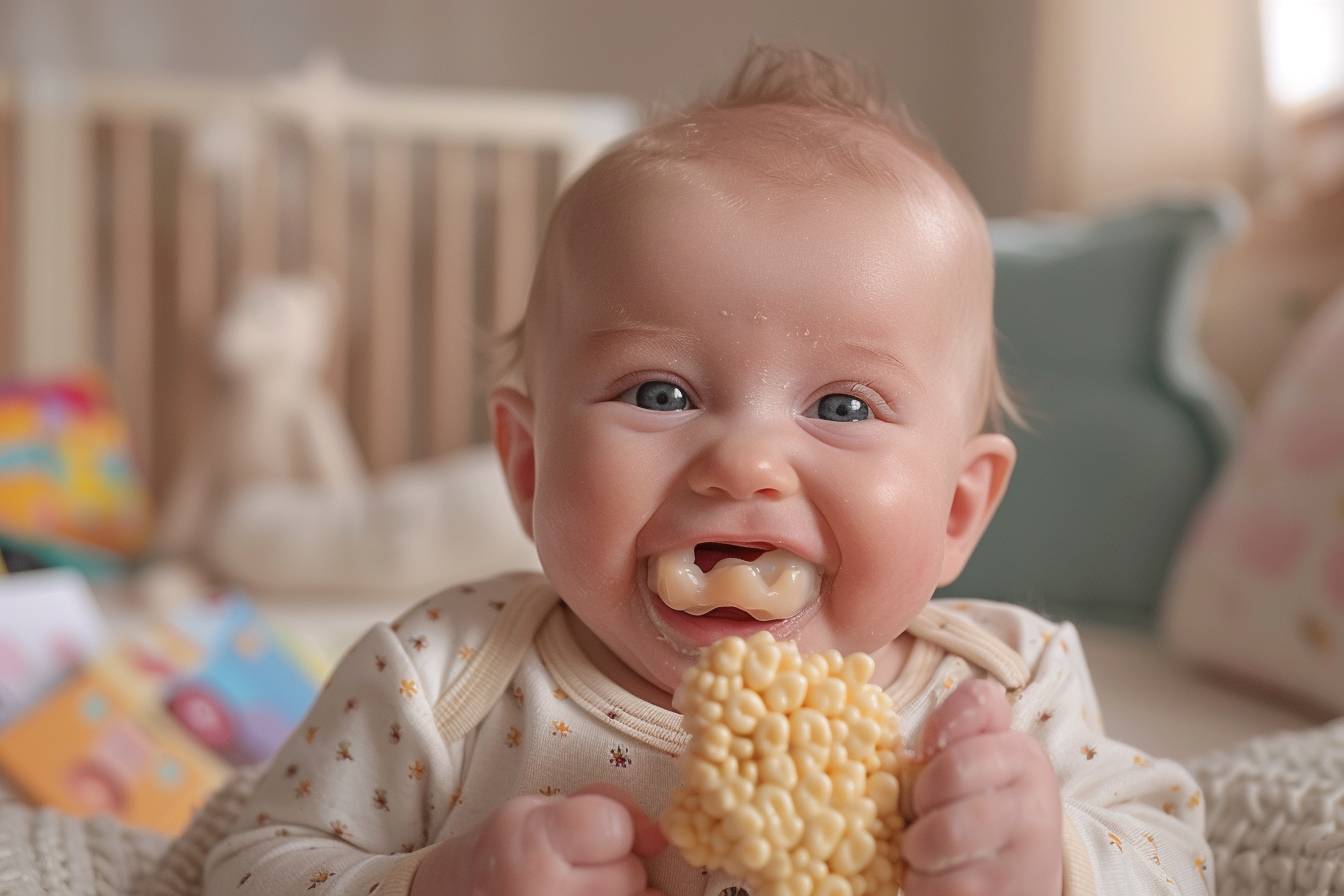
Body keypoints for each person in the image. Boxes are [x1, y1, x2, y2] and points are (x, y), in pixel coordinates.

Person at [203, 45, 1211, 896]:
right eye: (659, 394)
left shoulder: (1004, 693)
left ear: (957, 511)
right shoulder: (442, 678)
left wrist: (1056, 856)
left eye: (843, 407)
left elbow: (1180, 852)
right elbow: (248, 862)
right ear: (528, 463)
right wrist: (432, 880)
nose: (745, 462)